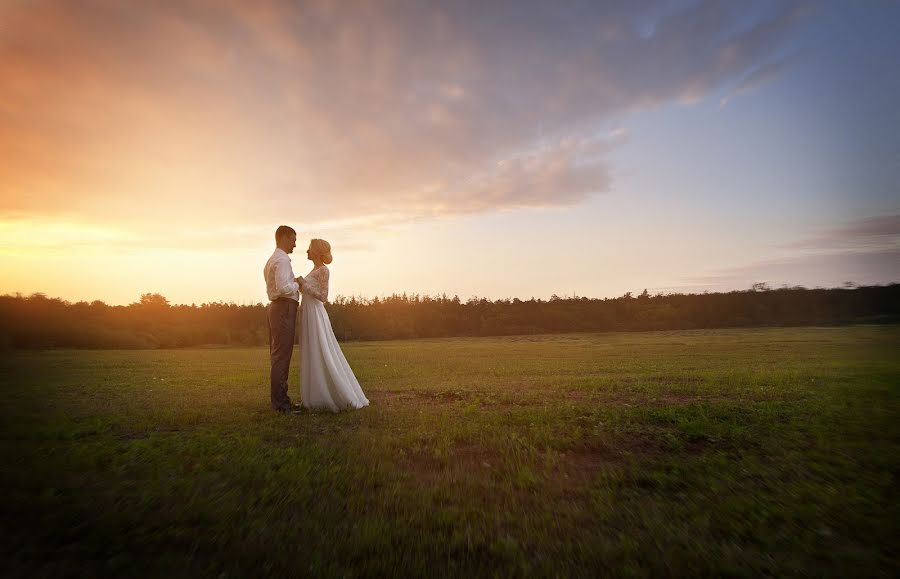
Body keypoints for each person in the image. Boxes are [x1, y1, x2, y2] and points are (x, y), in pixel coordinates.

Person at [299, 238, 369, 412]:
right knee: (310, 351)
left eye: (309, 248)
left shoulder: (324, 270)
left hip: (315, 314)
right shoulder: (313, 270)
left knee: (321, 349)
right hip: (307, 313)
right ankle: (313, 397)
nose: (306, 251)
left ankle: (334, 394)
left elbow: (323, 296)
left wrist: (303, 285)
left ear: (315, 251)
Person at [263, 225, 304, 413]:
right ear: (285, 238)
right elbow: (283, 288)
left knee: (278, 355)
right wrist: (297, 283)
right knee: (282, 356)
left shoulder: (273, 260)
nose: (295, 244)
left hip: (277, 308)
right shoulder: (282, 261)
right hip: (284, 308)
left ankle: (280, 401)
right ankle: (281, 405)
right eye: (293, 239)